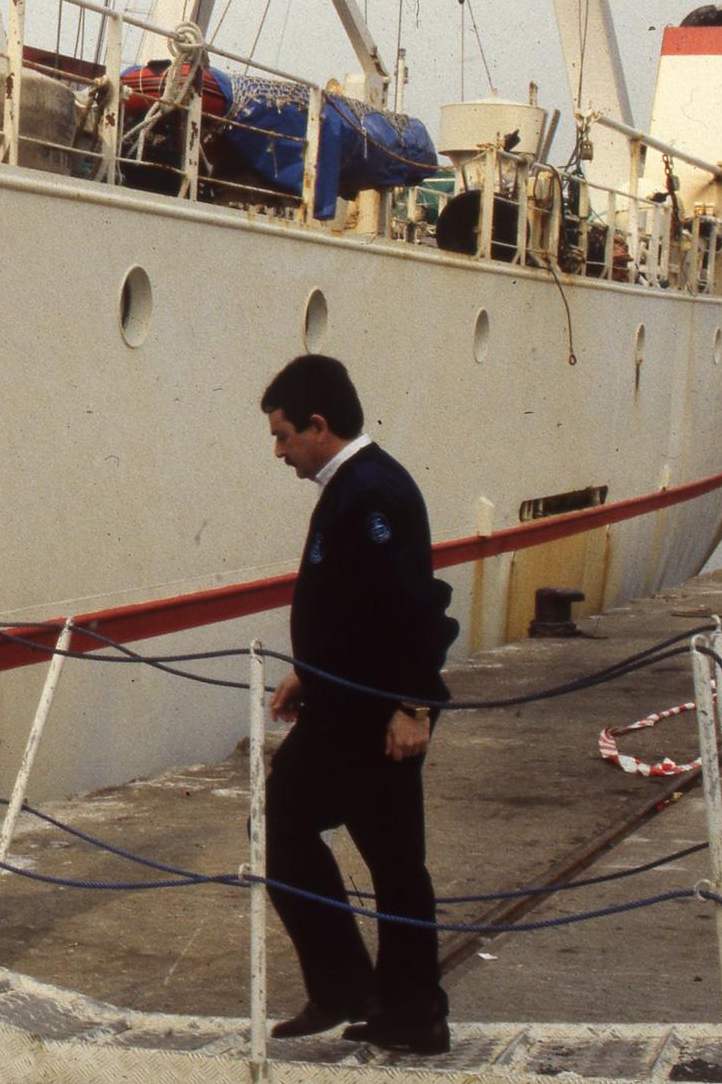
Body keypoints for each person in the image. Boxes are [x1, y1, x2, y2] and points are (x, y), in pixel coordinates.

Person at [258, 354, 458, 1054]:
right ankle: (408, 1011)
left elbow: (413, 608)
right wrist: (309, 675)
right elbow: (358, 608)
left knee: (287, 822)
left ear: (318, 424)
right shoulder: (357, 485)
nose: (279, 452)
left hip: (371, 718)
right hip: (348, 703)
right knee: (395, 864)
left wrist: (413, 706)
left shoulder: (371, 493)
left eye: (284, 436)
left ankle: (354, 989)